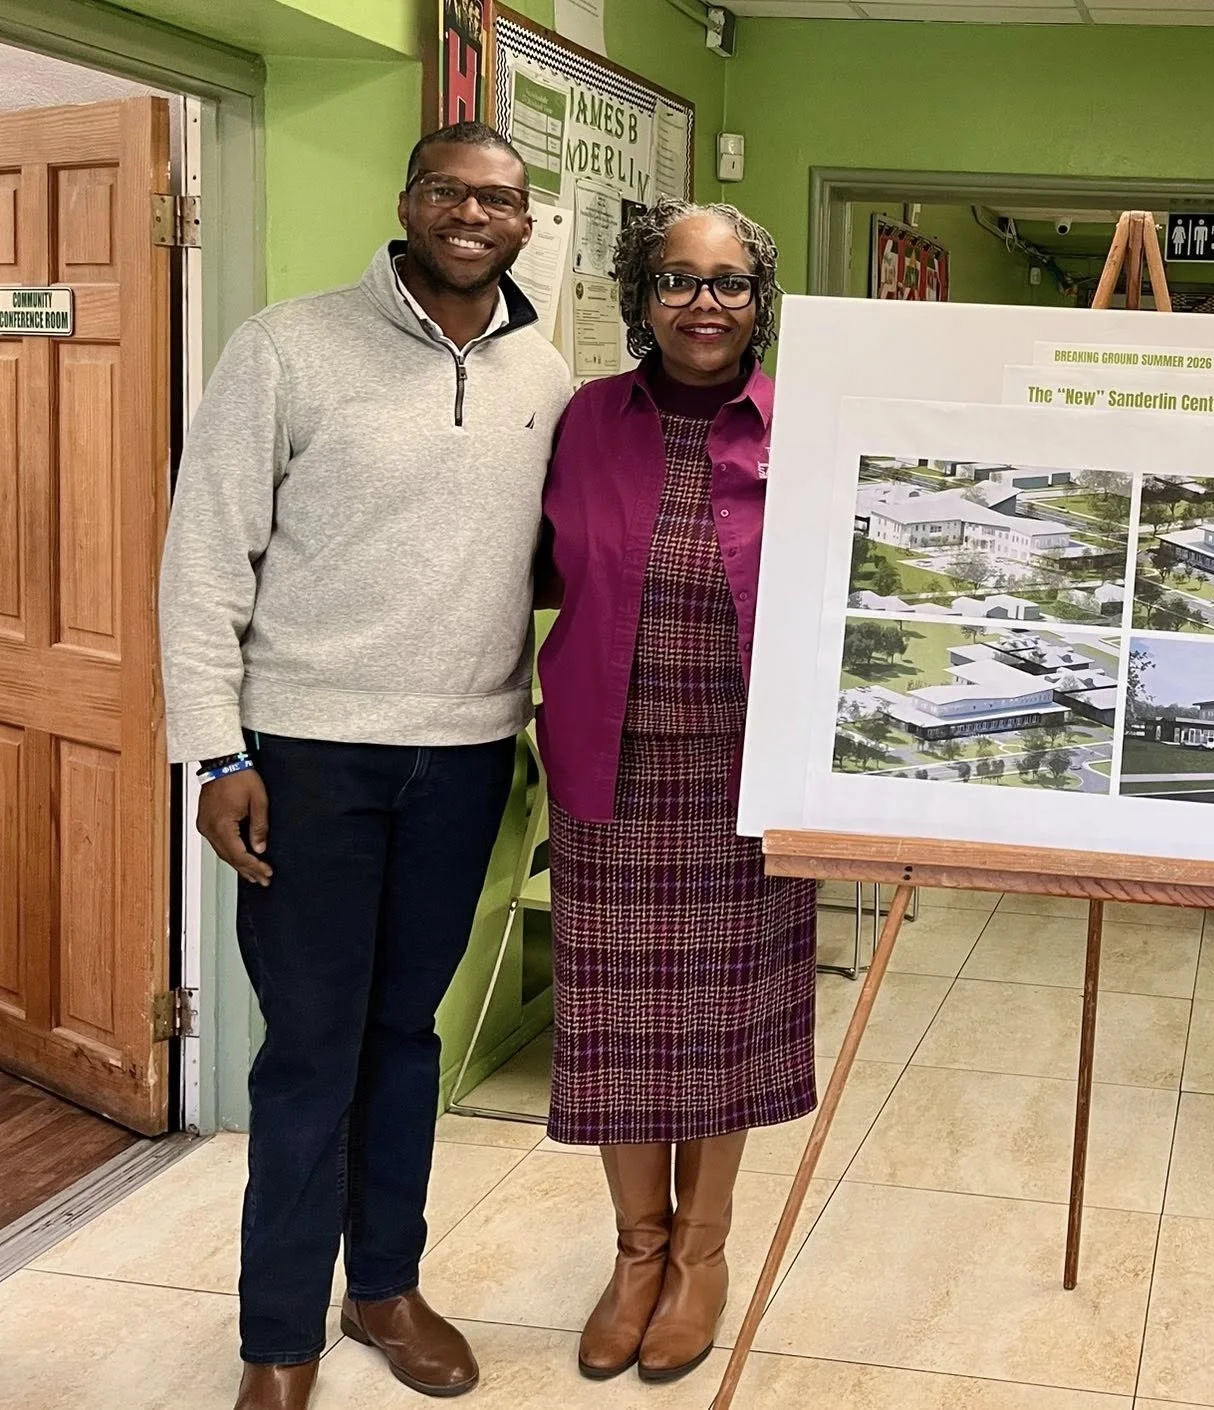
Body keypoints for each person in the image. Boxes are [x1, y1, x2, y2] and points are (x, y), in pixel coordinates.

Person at [158, 123, 572, 1410]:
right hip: (306, 758)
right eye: (449, 191)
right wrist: (213, 753)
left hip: (465, 756)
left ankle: (383, 1286)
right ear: (408, 202)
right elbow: (203, 560)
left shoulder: (545, 373)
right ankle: (278, 1338)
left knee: (405, 1037)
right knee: (308, 1052)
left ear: (525, 223)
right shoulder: (287, 347)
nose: (472, 215)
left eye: (498, 200)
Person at [535, 200, 814, 1383]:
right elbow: (527, 568)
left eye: (730, 282)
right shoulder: (585, 420)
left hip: (751, 777)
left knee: (723, 1028)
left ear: (760, 300)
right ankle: (634, 1253)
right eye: (679, 280)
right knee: (619, 1030)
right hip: (611, 769)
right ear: (641, 297)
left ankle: (700, 1254)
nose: (705, 304)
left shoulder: (806, 426)